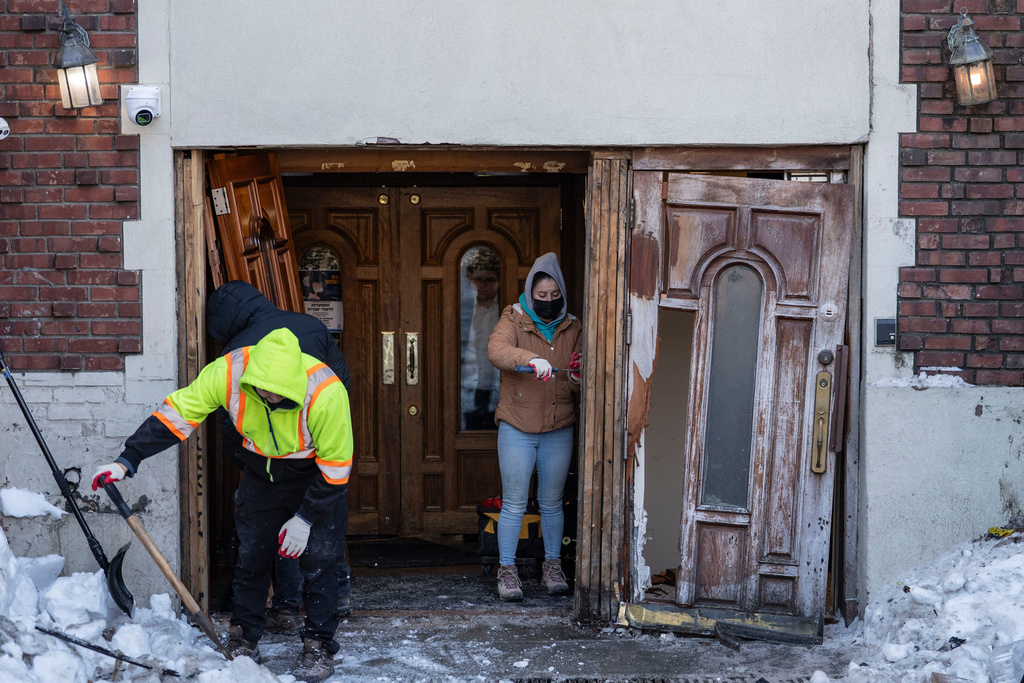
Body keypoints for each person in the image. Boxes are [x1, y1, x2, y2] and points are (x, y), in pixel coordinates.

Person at [90, 326, 352, 682]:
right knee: (252, 556)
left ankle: (318, 646)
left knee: (321, 560)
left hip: (314, 476)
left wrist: (305, 518)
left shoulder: (326, 391)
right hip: (261, 476)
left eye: (279, 394)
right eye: (263, 391)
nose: (270, 398)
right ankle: (245, 638)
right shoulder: (228, 372)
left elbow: (337, 468)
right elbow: (178, 413)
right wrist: (127, 459)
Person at [205, 281, 353, 629]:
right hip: (322, 448)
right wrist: (328, 435)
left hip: (271, 462)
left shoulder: (240, 351)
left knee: (284, 533)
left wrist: (249, 463)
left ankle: (286, 606)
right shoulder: (311, 325)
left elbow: (232, 420)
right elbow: (340, 382)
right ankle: (340, 595)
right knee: (322, 527)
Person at [486, 252, 582, 601]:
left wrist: (575, 375)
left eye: (554, 296)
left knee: (552, 502)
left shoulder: (574, 326)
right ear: (530, 293)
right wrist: (530, 359)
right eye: (541, 296)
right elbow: (496, 350)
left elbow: (576, 383)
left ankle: (552, 567)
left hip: (558, 425)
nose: (548, 301)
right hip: (517, 424)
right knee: (514, 503)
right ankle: (507, 571)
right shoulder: (513, 317)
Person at [462, 249, 501, 430]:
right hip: (466, 389)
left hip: (499, 389)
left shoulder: (506, 311)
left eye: (490, 280)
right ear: (470, 280)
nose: (483, 285)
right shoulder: (461, 309)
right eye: (478, 279)